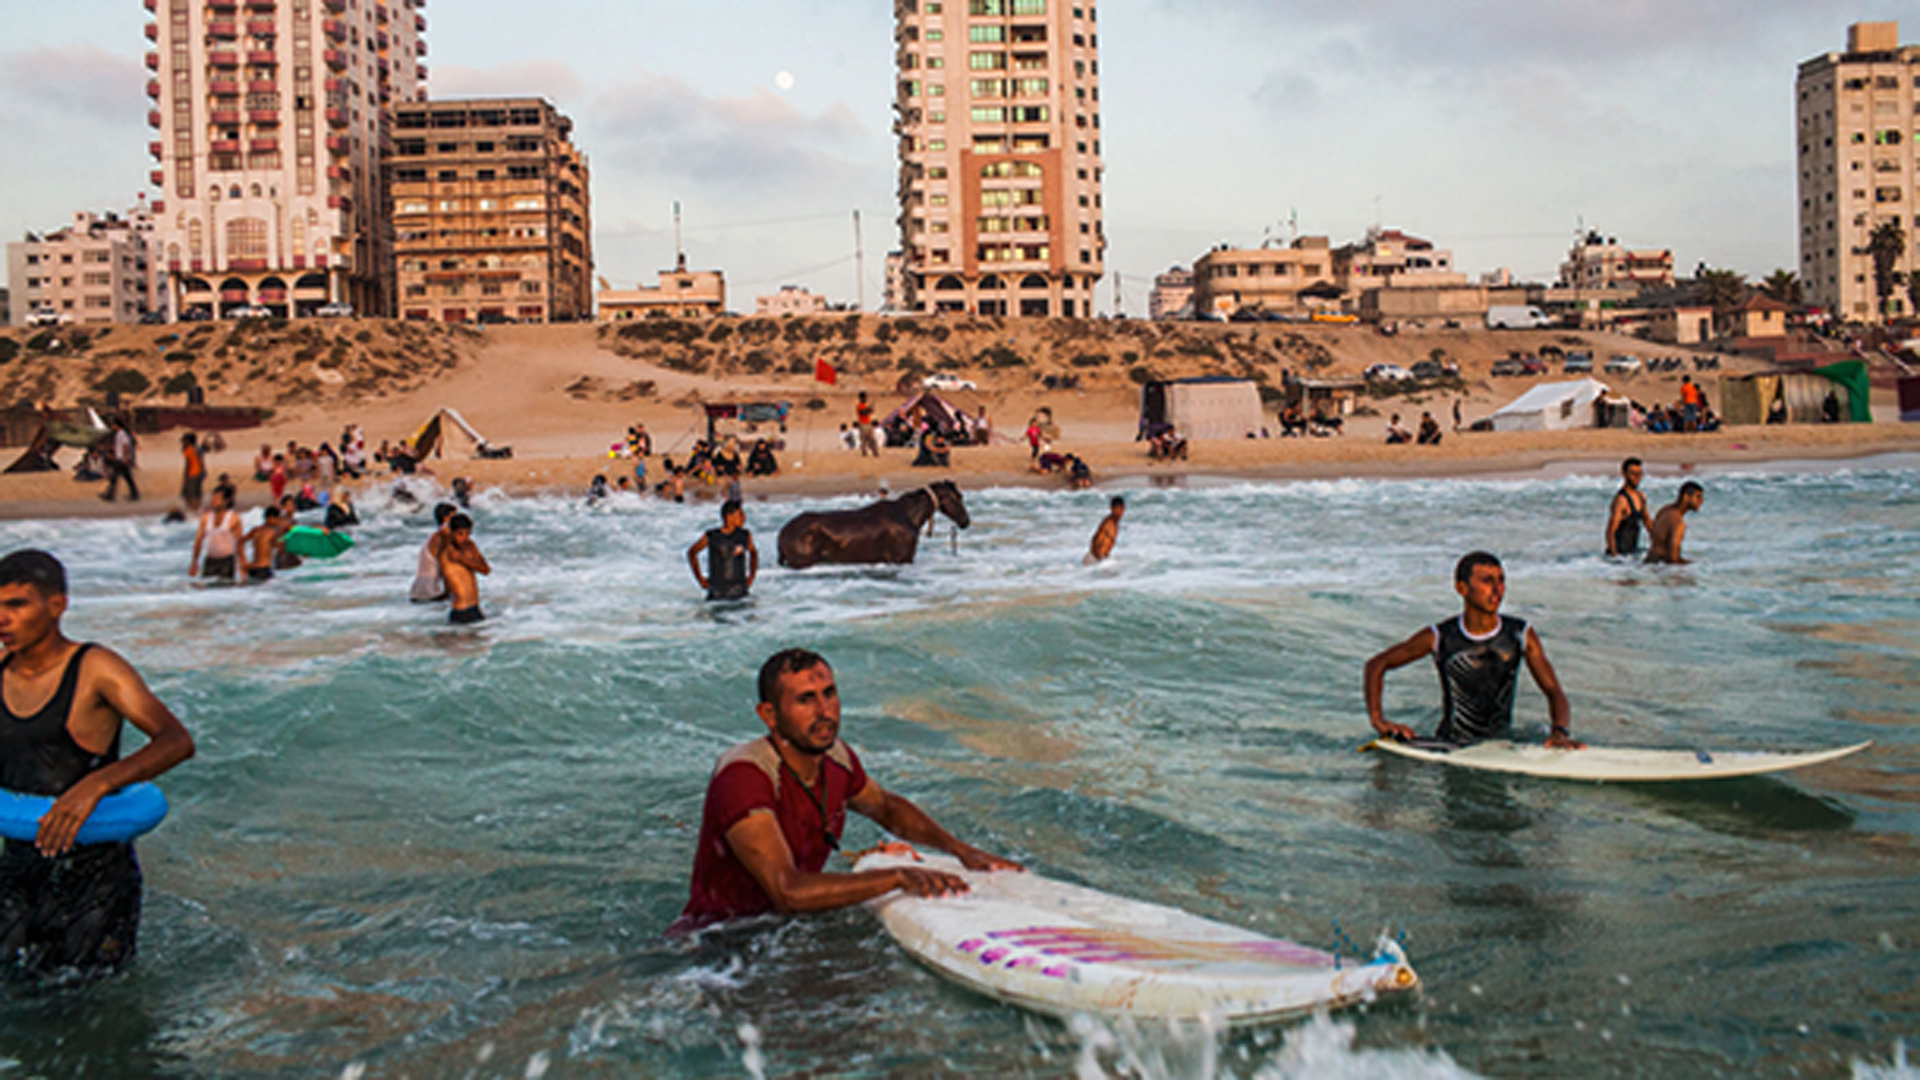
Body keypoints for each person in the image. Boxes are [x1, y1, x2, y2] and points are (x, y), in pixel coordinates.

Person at [673, 649, 1020, 932]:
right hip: (719, 945)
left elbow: (886, 808)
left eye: (830, 694)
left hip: (790, 931)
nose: (824, 711)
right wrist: (897, 876)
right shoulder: (745, 775)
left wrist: (960, 850)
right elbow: (787, 890)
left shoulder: (836, 758)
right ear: (769, 714)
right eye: (806, 700)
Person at [0, 549, 196, 975]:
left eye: (16, 604)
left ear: (56, 605)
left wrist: (98, 784)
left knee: (81, 1013)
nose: (2, 619)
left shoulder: (97, 670)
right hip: (17, 870)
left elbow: (175, 740)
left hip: (95, 879)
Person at [1363, 551, 1581, 749]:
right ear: (1462, 588)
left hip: (1501, 745)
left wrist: (1559, 732)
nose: (1497, 589)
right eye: (1487, 581)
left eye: (1501, 580)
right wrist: (1378, 720)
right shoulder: (1439, 637)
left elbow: (1554, 691)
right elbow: (1376, 665)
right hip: (1450, 744)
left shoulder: (1520, 633)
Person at [688, 500, 758, 602]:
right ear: (729, 516)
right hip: (717, 596)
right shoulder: (711, 536)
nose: (744, 518)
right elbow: (692, 552)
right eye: (740, 514)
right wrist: (700, 579)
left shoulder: (745, 535)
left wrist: (752, 576)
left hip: (741, 595)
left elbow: (754, 553)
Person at [437, 513, 490, 624]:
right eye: (460, 534)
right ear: (452, 532)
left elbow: (486, 570)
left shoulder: (470, 546)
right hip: (461, 611)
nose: (464, 538)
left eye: (468, 534)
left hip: (476, 608)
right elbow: (442, 535)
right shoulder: (447, 553)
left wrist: (463, 559)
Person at [188, 486, 244, 584]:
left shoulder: (234, 518)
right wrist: (194, 562)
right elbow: (198, 541)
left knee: (225, 589)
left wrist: (242, 564)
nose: (213, 501)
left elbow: (239, 543)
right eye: (213, 499)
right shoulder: (206, 517)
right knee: (207, 591)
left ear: (225, 501)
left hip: (227, 561)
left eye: (217, 499)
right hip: (210, 560)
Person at [1646, 481, 1704, 566]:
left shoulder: (1665, 510)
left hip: (1649, 563)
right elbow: (1673, 559)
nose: (1701, 500)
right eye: (1698, 497)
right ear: (1686, 497)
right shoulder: (1678, 523)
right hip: (1659, 569)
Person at [410, 502, 458, 603]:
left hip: (416, 590)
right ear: (446, 519)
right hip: (431, 591)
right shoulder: (444, 536)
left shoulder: (432, 537)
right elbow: (446, 567)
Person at [1605, 457, 1651, 558]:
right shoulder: (1621, 500)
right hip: (1620, 554)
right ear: (1624, 474)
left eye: (1639, 474)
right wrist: (1615, 556)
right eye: (1633, 474)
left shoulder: (1641, 497)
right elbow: (1610, 531)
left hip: (1632, 553)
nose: (1637, 477)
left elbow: (1648, 523)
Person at [100, 419, 138, 503]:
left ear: (117, 425)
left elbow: (126, 446)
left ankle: (110, 495)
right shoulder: (119, 434)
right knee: (127, 477)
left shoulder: (122, 434)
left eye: (113, 425)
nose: (112, 426)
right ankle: (134, 494)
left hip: (121, 459)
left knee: (115, 477)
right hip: (120, 458)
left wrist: (126, 457)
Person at [241, 508, 280, 583]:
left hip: (253, 568)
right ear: (271, 518)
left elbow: (240, 542)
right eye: (277, 519)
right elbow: (280, 547)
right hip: (264, 569)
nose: (277, 521)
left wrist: (243, 561)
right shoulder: (272, 532)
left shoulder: (255, 530)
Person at [1087, 496, 1125, 563]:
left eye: (1122, 509)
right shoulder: (1109, 523)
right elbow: (1096, 540)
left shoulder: (1114, 523)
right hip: (1094, 559)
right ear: (1112, 509)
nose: (1121, 512)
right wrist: (1100, 558)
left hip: (1097, 559)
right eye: (1119, 509)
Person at [179, 434, 205, 511]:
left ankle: (192, 508)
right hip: (199, 472)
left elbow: (188, 463)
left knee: (189, 492)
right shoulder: (197, 448)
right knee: (197, 491)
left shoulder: (188, 449)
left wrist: (185, 476)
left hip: (192, 473)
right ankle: (198, 507)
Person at [855, 392, 879, 458]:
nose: (866, 398)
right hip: (863, 425)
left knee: (872, 439)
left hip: (869, 424)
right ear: (861, 398)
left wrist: (871, 408)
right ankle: (864, 453)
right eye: (864, 397)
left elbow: (869, 412)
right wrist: (869, 408)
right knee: (864, 441)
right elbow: (863, 413)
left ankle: (875, 452)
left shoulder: (865, 405)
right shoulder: (859, 405)